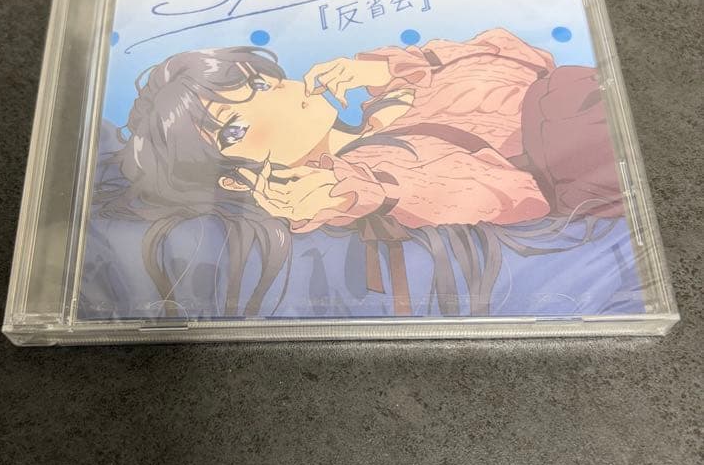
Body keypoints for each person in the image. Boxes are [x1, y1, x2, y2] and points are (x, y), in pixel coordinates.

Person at [98, 29, 622, 317]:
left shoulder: (387, 99)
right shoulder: (373, 176)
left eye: (257, 84)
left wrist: (388, 69)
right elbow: (507, 194)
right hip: (605, 152)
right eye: (234, 128)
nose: (273, 98)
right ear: (236, 179)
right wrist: (354, 194)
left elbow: (523, 56)